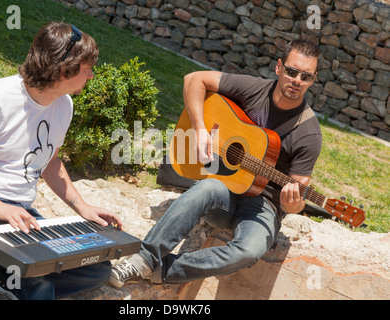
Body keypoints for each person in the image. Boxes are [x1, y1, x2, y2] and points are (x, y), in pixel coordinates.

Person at [110, 39, 322, 287]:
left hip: (263, 207)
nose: (297, 80)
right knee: (207, 188)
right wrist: (200, 130)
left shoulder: (308, 133)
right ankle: (144, 259)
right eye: (292, 71)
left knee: (249, 251)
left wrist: (293, 203)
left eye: (305, 76)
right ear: (279, 68)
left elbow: (298, 195)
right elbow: (194, 79)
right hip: (225, 189)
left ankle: (164, 271)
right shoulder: (254, 89)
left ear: (313, 80)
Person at [0, 22, 122, 299]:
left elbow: (50, 161)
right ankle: (9, 281)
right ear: (64, 71)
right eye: (87, 70)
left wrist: (81, 207)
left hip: (19, 214)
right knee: (37, 281)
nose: (91, 76)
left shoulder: (64, 104)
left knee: (95, 270)